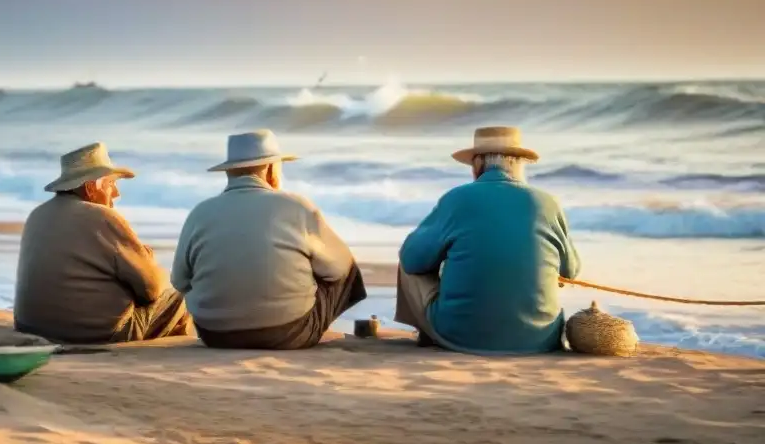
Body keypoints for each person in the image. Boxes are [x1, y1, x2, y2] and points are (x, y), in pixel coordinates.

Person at [172, 129, 366, 350]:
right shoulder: (295, 206)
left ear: (229, 172)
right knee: (343, 267)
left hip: (214, 335)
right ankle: (305, 320)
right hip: (287, 333)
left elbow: (180, 281)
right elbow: (339, 269)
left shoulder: (200, 213)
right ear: (272, 169)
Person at [396, 126, 580, 354]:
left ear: (477, 164)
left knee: (408, 261)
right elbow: (570, 271)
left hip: (462, 336)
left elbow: (412, 260)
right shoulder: (547, 202)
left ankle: (427, 333)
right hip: (540, 340)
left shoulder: (457, 198)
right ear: (519, 163)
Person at [14, 143, 191, 344]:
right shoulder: (102, 217)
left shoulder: (37, 214)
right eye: (110, 184)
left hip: (32, 328)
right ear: (91, 188)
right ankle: (171, 355)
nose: (116, 193)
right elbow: (150, 290)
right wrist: (149, 261)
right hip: (92, 334)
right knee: (177, 289)